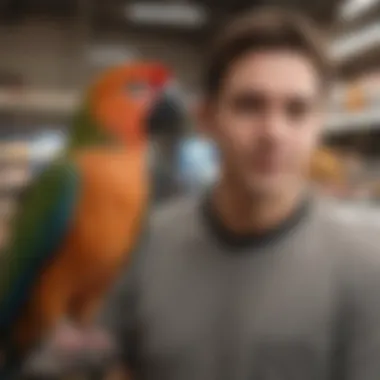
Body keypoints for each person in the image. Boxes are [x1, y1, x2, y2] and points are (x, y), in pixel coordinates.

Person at [101, 7, 380, 380]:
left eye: (296, 110)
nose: (273, 133)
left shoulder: (366, 267)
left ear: (319, 125)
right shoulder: (145, 243)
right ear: (207, 119)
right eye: (250, 105)